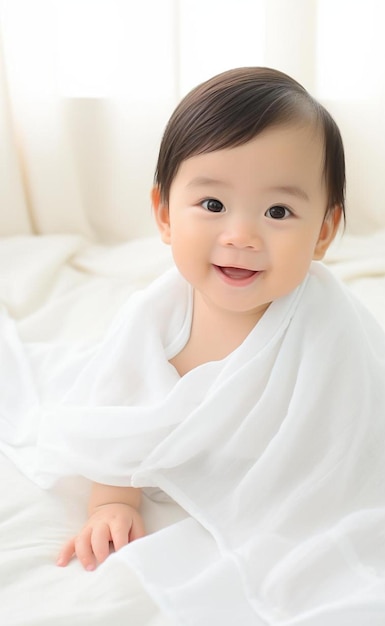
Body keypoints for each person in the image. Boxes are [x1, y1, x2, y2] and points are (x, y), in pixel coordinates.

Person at [56, 66, 346, 570]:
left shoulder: (326, 323)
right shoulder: (154, 320)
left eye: (278, 212)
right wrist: (112, 502)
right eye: (213, 203)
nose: (241, 236)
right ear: (165, 214)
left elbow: (350, 425)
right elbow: (117, 417)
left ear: (324, 231)